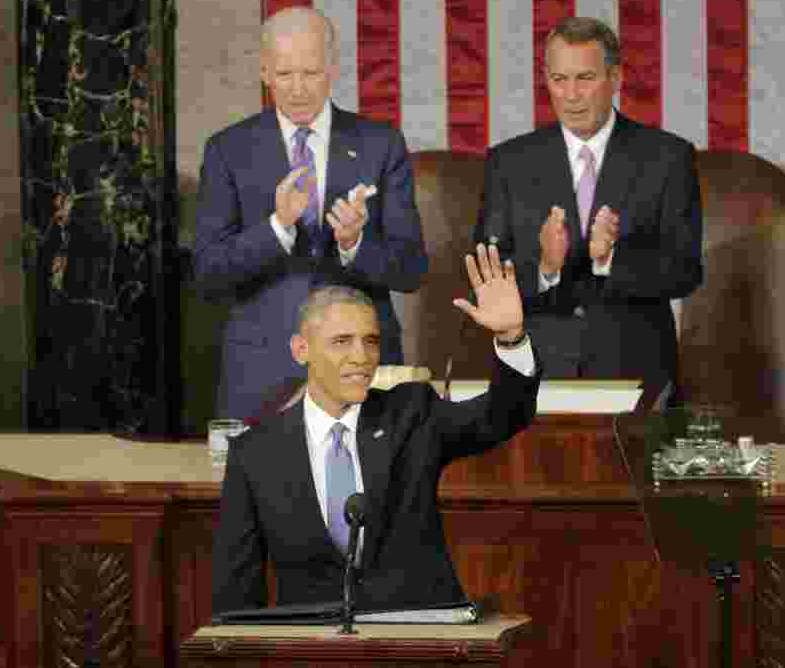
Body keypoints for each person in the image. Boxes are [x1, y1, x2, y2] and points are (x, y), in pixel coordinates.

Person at [212, 244, 540, 614]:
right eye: (341, 342)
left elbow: (501, 417)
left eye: (371, 341)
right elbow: (235, 596)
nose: (361, 357)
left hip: (421, 643)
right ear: (301, 349)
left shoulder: (412, 413)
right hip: (314, 650)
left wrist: (511, 338)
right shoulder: (255, 452)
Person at [194, 7, 428, 420]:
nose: (298, 89)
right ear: (264, 72)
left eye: (311, 73)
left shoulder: (381, 145)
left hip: (362, 371)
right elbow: (209, 272)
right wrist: (276, 228)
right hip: (262, 375)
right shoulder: (227, 150)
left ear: (333, 69)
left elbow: (410, 269)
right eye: (284, 75)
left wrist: (356, 243)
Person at [474, 17, 703, 394]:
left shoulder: (667, 157)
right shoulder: (509, 162)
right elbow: (486, 279)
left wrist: (609, 259)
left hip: (636, 372)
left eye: (585, 78)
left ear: (615, 78)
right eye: (559, 80)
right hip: (537, 372)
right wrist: (546, 267)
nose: (571, 95)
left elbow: (685, 271)